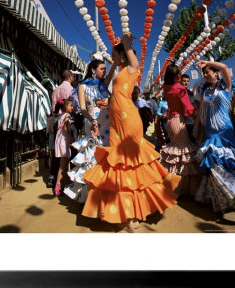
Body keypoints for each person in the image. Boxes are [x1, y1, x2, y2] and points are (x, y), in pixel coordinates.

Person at [82, 33, 181, 232]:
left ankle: (133, 212)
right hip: (117, 123)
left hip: (129, 120)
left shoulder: (131, 68)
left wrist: (125, 42)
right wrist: (108, 99)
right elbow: (113, 89)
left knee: (132, 164)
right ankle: (122, 210)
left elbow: (130, 58)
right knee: (118, 165)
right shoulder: (119, 73)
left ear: (123, 55)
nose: (112, 57)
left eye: (114, 54)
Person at [193, 60, 235, 222]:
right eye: (204, 73)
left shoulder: (227, 88)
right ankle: (223, 201)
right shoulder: (205, 91)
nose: (206, 74)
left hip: (225, 133)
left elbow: (223, 67)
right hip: (210, 134)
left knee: (229, 166)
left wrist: (206, 62)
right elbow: (201, 111)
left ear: (216, 73)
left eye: (208, 71)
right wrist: (196, 128)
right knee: (214, 167)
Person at [64, 59, 116, 203]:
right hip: (92, 124)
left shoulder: (104, 83)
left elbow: (113, 69)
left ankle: (105, 196)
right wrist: (92, 120)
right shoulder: (82, 86)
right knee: (93, 159)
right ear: (93, 70)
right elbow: (82, 108)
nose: (104, 71)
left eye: (105, 69)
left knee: (106, 159)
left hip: (107, 125)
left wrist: (113, 61)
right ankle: (91, 199)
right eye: (101, 69)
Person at [159, 65, 202, 196]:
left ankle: (174, 185)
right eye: (179, 74)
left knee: (176, 153)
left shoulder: (166, 87)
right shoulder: (180, 88)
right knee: (184, 153)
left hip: (170, 120)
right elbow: (188, 107)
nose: (180, 76)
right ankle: (182, 189)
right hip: (178, 120)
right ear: (176, 75)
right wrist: (198, 111)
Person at [47, 70, 75, 188]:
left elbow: (53, 106)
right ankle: (72, 178)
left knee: (55, 150)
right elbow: (73, 105)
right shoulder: (71, 89)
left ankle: (52, 177)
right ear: (70, 77)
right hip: (66, 120)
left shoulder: (55, 90)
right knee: (71, 150)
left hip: (55, 120)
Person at [53, 98, 75, 197]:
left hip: (60, 139)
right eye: (71, 105)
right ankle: (58, 187)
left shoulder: (61, 115)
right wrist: (71, 138)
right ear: (66, 107)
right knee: (63, 165)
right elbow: (66, 127)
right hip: (64, 140)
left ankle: (66, 184)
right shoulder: (67, 115)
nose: (72, 107)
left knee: (64, 164)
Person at [180, 74, 196, 142]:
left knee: (193, 143)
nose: (186, 83)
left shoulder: (191, 94)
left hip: (191, 122)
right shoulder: (177, 93)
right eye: (184, 81)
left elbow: (194, 107)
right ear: (180, 81)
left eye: (187, 81)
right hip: (180, 123)